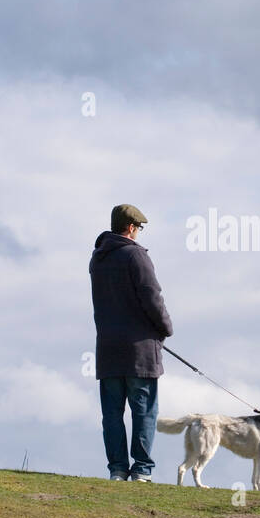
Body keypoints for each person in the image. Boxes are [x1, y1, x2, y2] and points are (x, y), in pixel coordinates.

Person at [88, 204, 173, 482]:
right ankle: (142, 470)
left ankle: (117, 469)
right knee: (144, 410)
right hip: (140, 349)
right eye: (140, 228)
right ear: (132, 227)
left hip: (108, 348)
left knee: (112, 413)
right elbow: (152, 297)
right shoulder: (136, 255)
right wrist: (165, 328)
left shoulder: (97, 259)